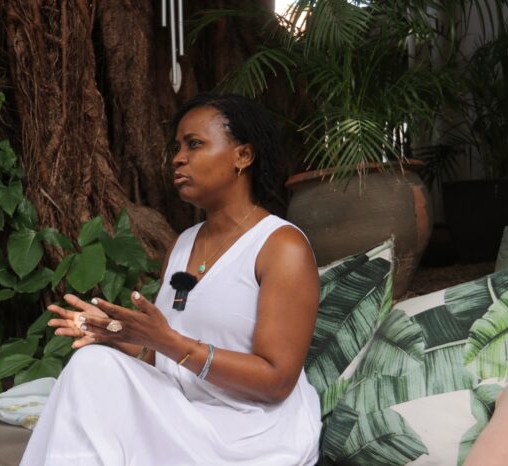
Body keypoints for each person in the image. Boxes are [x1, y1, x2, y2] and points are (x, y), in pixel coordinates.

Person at [20, 94, 321, 465]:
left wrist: (170, 342)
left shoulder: (281, 246)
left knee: (91, 375)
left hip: (251, 430)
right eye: (177, 147)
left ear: (243, 156)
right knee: (93, 363)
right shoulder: (182, 245)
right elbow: (163, 358)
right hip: (183, 413)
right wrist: (120, 335)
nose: (178, 158)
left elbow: (276, 381)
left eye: (194, 144)